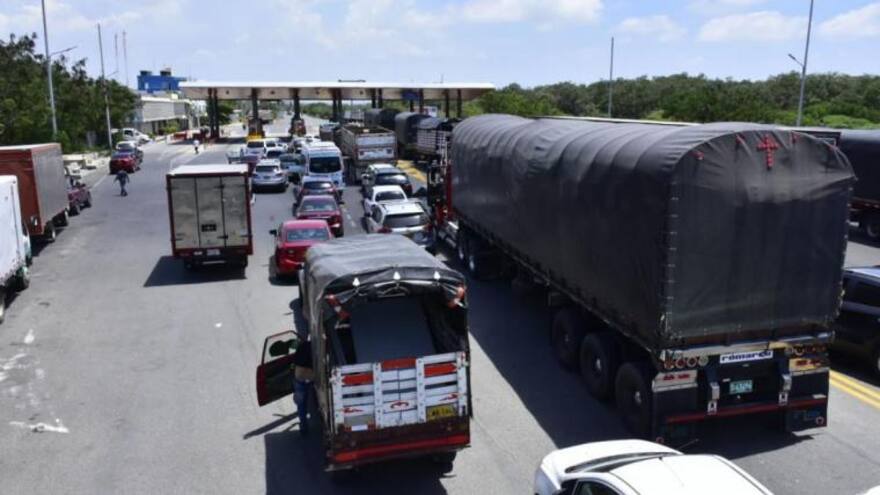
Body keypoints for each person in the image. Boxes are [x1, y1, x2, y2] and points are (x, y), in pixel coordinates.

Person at [292, 336, 314, 435]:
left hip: (300, 377)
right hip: (311, 377)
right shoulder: (316, 347)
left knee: (301, 404)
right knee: (311, 395)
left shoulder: (302, 346)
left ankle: (304, 427)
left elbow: (295, 360)